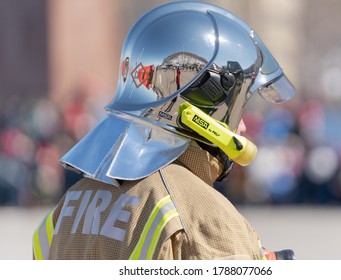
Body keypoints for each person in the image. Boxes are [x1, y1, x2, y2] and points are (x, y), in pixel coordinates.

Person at [33, 1, 296, 260]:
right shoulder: (206, 217)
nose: (243, 127)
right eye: (239, 110)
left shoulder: (70, 204)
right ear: (202, 112)